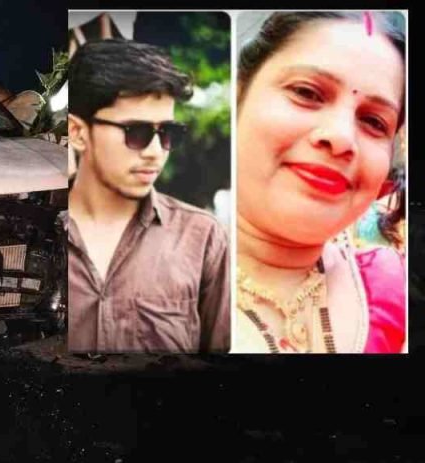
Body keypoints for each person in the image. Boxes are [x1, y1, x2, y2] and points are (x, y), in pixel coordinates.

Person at [234, 12, 406, 353]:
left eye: (374, 121)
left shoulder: (397, 289)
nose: (341, 137)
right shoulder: (159, 292)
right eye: (306, 93)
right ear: (237, 96)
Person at [66, 39, 230, 354]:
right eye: (136, 132)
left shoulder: (203, 239)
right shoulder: (34, 230)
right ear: (77, 132)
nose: (156, 152)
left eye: (168, 133)